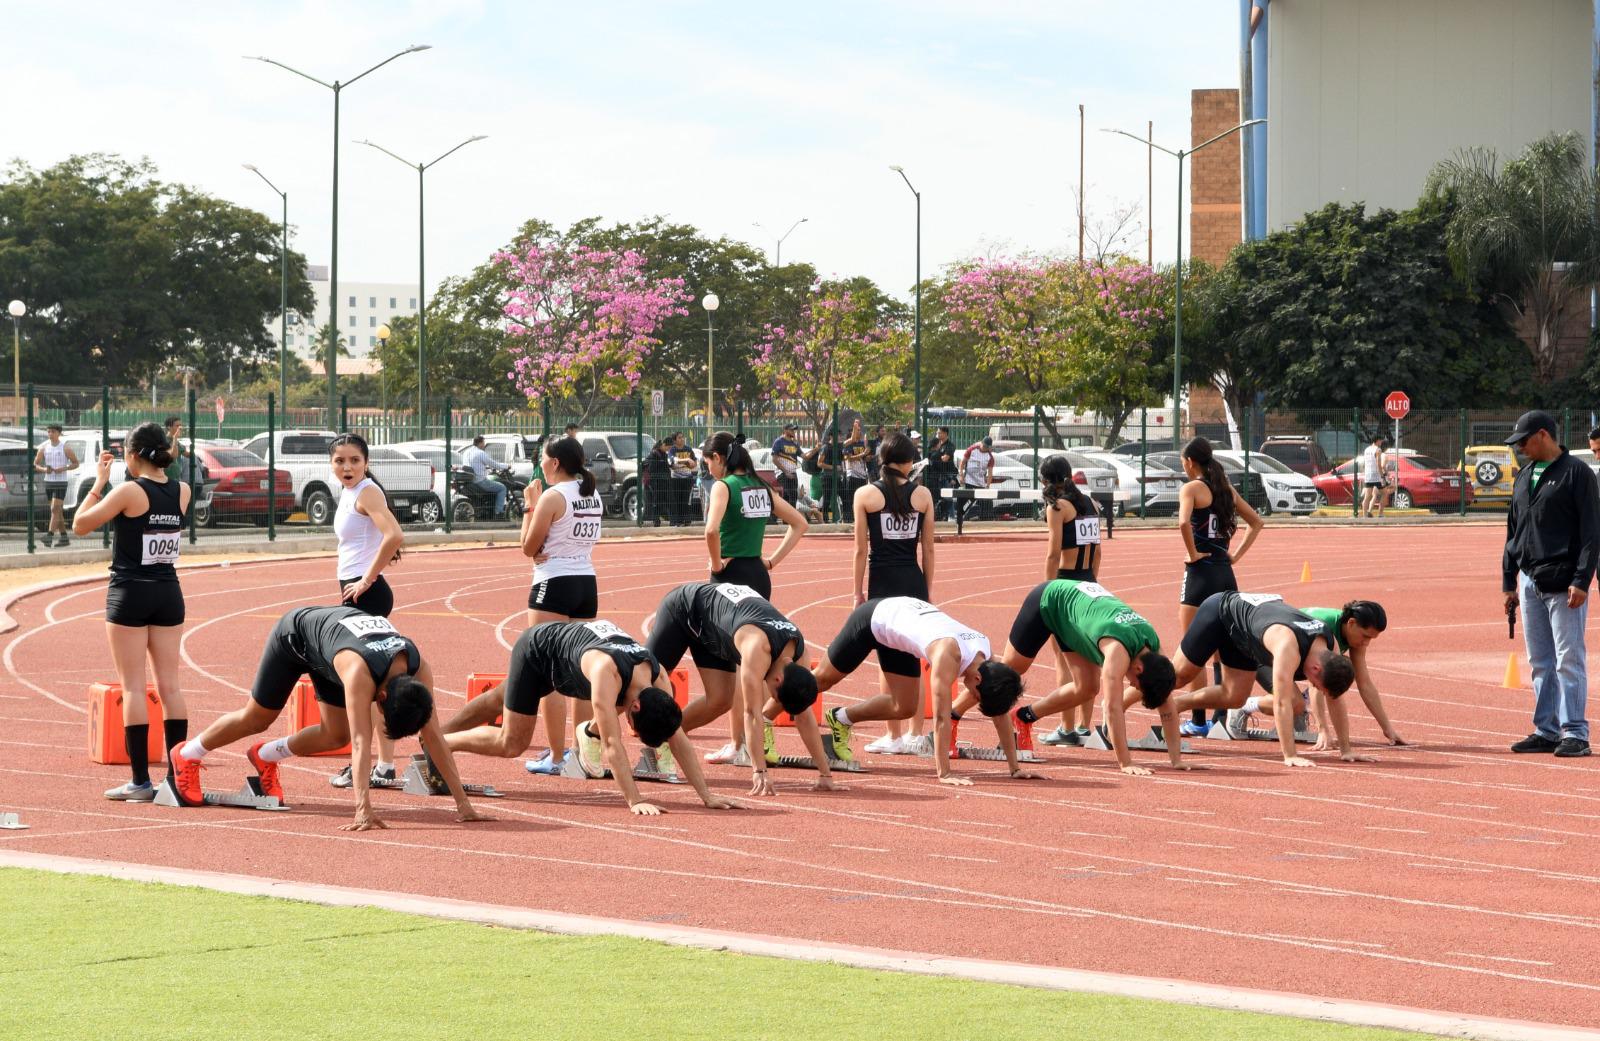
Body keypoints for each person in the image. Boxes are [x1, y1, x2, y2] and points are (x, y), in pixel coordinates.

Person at [168, 606, 487, 830]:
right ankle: (188, 753)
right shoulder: (360, 673)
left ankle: (265, 756)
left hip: (331, 647)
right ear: (383, 697)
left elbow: (433, 737)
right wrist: (363, 810)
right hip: (295, 637)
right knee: (258, 717)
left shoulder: (419, 671)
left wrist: (464, 805)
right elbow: (363, 743)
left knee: (335, 735)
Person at [441, 619, 738, 815]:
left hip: (568, 654)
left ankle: (433, 735)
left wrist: (706, 795)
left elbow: (678, 737)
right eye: (634, 729)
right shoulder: (605, 673)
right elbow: (613, 745)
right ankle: (442, 743)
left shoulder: (658, 679)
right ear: (633, 708)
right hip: (538, 653)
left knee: (498, 699)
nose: (631, 732)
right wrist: (635, 800)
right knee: (512, 742)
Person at [72, 422, 190, 801]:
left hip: (129, 593)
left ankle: (140, 782)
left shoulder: (129, 491)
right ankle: (177, 778)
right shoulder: (182, 491)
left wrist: (97, 483)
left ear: (133, 455)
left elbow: (80, 525)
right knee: (170, 686)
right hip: (169, 592)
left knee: (135, 688)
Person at [973, 579, 1182, 775]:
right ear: (1138, 669)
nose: (1134, 688)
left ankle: (1023, 716)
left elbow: (1166, 703)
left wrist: (1176, 760)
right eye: (1138, 686)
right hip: (1049, 600)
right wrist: (1125, 763)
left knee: (1087, 688)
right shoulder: (1118, 652)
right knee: (1006, 673)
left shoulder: (1154, 652)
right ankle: (953, 714)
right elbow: (1112, 708)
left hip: (1073, 619)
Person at [816, 597, 1028, 784]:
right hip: (873, 619)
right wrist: (944, 773)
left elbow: (1000, 715)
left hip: (899, 632)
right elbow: (941, 719)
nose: (971, 697)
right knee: (822, 681)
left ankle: (841, 718)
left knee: (904, 707)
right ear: (978, 678)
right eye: (976, 694)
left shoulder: (986, 658)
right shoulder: (948, 655)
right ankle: (784, 689)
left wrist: (1015, 768)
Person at [647, 582, 834, 793]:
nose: (770, 698)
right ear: (778, 681)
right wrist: (759, 771)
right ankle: (600, 737)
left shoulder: (798, 653)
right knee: (644, 686)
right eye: (775, 696)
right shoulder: (758, 648)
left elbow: (804, 714)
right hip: (683, 609)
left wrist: (825, 773)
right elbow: (753, 714)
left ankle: (666, 738)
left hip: (712, 627)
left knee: (720, 700)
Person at [1169, 591, 1365, 767]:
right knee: (1178, 677)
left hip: (1246, 635)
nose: (1314, 688)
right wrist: (1290, 755)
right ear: (1316, 668)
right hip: (1220, 612)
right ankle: (1145, 679)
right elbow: (1281, 703)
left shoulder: (1331, 649)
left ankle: (1175, 705)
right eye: (1316, 685)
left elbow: (1335, 698)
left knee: (1234, 697)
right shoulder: (1288, 646)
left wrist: (1346, 749)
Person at [1502, 410, 1596, 758]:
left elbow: (1591, 533)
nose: (1520, 448)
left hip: (1564, 582)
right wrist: (1508, 581)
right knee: (1540, 660)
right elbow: (1514, 532)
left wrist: (1582, 579)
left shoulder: (1578, 474)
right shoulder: (1524, 476)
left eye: (1524, 441)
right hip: (1529, 582)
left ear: (1543, 435)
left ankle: (1575, 733)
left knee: (1568, 659)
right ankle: (1547, 729)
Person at [324, 433, 407, 790]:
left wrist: (366, 581)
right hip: (357, 595)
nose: (347, 467)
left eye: (354, 460)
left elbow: (394, 535)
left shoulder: (368, 491)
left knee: (368, 686)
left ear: (366, 462)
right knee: (372, 685)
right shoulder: (350, 492)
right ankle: (380, 765)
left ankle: (378, 764)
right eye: (340, 461)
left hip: (366, 597)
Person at [519, 436, 606, 775]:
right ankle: (582, 756)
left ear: (554, 463)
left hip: (553, 581)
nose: (540, 462)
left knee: (548, 672)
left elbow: (528, 547)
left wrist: (530, 506)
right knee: (580, 672)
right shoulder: (592, 493)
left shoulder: (552, 497)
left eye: (542, 457)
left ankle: (556, 758)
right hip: (586, 582)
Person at [852, 432, 938, 756]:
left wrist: (856, 592)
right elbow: (927, 549)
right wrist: (927, 592)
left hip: (882, 584)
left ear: (880, 459)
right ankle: (916, 733)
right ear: (909, 462)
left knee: (886, 658)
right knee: (914, 655)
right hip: (912, 580)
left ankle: (893, 735)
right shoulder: (923, 496)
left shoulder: (865, 495)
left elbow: (861, 550)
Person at [1175, 436, 1264, 737]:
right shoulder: (1225, 489)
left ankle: (1198, 721)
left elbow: (1183, 523)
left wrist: (1192, 553)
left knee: (1192, 652)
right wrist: (1235, 555)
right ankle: (1220, 719)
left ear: (1190, 462)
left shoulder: (1192, 488)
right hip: (1226, 576)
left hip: (1200, 575)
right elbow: (1257, 522)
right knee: (1221, 651)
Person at [1242, 600, 1406, 750]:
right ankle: (1244, 706)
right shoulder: (1325, 627)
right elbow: (1317, 685)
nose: (1366, 643)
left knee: (1327, 684)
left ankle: (1297, 712)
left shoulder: (1355, 635)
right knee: (1296, 702)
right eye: (1365, 636)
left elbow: (1365, 684)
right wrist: (1323, 730)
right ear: (1351, 623)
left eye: (1371, 639)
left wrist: (1388, 729)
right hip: (1265, 655)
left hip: (1297, 661)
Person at [1035, 455, 1102, 747]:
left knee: (1063, 659)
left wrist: (1048, 590)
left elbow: (1053, 552)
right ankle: (1084, 726)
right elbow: (1098, 551)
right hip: (1089, 582)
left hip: (1064, 583)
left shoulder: (1057, 507)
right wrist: (1092, 583)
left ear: (1046, 480)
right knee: (1087, 657)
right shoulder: (1090, 503)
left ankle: (1065, 727)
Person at [702, 431, 808, 599]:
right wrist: (772, 562)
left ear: (717, 457)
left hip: (730, 577)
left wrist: (716, 567)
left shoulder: (722, 487)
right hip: (759, 576)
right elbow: (801, 524)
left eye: (706, 462)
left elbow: (711, 531)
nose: (708, 468)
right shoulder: (763, 487)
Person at [34, 423, 79, 548]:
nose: (50, 434)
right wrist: (44, 470)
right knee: (57, 511)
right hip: (49, 481)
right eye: (48, 432)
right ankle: (64, 537)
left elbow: (76, 463)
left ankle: (49, 535)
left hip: (61, 482)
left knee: (54, 508)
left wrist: (64, 468)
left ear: (59, 433)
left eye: (53, 432)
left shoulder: (65, 448)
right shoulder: (43, 448)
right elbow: (35, 464)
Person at [462, 434, 507, 520]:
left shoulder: (467, 452)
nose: (484, 444)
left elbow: (473, 465)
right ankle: (498, 513)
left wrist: (484, 467)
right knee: (502, 488)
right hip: (480, 481)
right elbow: (494, 464)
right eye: (483, 442)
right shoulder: (480, 453)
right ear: (480, 443)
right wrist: (506, 466)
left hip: (470, 480)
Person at [957, 436, 996, 526]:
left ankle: (985, 522)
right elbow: (962, 463)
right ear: (981, 443)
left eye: (987, 447)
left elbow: (990, 473)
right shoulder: (972, 450)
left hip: (980, 484)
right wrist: (961, 476)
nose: (985, 448)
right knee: (966, 502)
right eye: (984, 445)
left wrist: (988, 486)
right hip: (969, 481)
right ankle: (961, 519)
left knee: (986, 503)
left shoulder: (990, 457)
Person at [841, 418, 870, 517]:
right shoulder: (848, 445)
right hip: (852, 475)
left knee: (862, 498)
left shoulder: (862, 444)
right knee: (850, 499)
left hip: (862, 476)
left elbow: (865, 459)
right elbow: (848, 459)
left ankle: (860, 517)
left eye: (860, 430)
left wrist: (868, 456)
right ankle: (848, 518)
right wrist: (862, 454)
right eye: (857, 430)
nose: (860, 431)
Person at [927, 427, 958, 520]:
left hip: (947, 474)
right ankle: (942, 517)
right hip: (937, 475)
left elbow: (945, 459)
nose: (938, 434)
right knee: (938, 497)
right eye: (937, 433)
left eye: (939, 433)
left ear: (945, 434)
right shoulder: (938, 445)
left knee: (948, 496)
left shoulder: (950, 445)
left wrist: (935, 456)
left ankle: (952, 516)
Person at [642, 437, 672, 526]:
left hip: (662, 482)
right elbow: (652, 470)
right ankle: (655, 520)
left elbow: (665, 467)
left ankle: (660, 519)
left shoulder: (663, 454)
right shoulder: (654, 454)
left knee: (661, 501)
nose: (668, 449)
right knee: (655, 502)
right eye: (668, 447)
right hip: (654, 483)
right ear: (663, 445)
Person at [816, 427, 843, 523]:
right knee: (827, 498)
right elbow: (819, 463)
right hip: (827, 477)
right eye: (838, 435)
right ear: (831, 436)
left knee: (844, 495)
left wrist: (856, 428)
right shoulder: (825, 447)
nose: (840, 437)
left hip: (837, 477)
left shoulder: (840, 446)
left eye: (840, 435)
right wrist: (833, 467)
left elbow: (851, 440)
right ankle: (825, 520)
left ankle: (846, 518)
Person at [669, 431, 696, 525]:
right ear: (675, 440)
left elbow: (694, 463)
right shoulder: (672, 450)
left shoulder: (688, 449)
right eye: (679, 438)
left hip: (687, 478)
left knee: (686, 500)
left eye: (682, 437)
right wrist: (686, 460)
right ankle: (677, 521)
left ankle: (687, 520)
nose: (682, 439)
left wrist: (691, 464)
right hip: (676, 479)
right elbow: (673, 461)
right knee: (677, 500)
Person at [771, 423, 802, 506]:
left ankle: (783, 518)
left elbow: (805, 456)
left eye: (794, 430)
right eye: (791, 430)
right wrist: (786, 472)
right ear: (785, 430)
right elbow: (774, 459)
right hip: (782, 473)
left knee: (789, 497)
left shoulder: (795, 443)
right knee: (791, 495)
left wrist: (816, 449)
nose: (794, 432)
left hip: (793, 473)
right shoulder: (779, 442)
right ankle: (789, 517)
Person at [1360, 434, 1388, 518]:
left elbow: (1365, 463)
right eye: (1381, 440)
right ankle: (1380, 514)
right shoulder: (1378, 450)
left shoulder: (1366, 449)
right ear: (1377, 440)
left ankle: (1365, 515)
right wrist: (1382, 476)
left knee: (1367, 496)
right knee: (1385, 493)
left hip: (1368, 475)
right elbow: (1378, 464)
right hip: (1376, 476)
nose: (1381, 442)